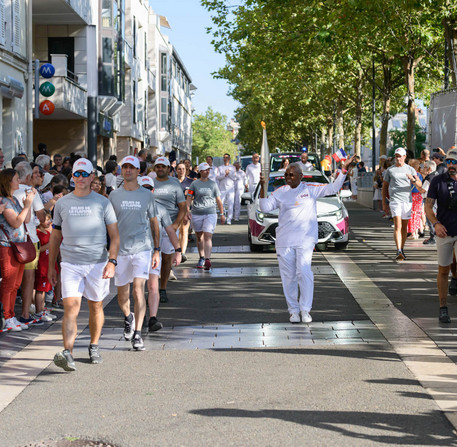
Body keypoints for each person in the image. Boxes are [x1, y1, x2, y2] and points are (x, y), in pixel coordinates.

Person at [258, 156, 355, 323]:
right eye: (286, 175)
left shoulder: (311, 189)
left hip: (305, 239)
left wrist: (343, 170)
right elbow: (265, 207)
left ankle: (305, 310)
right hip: (284, 241)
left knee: (304, 272)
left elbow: (333, 188)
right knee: (289, 277)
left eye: (291, 175)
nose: (288, 178)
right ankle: (293, 311)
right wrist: (262, 186)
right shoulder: (280, 192)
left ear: (300, 176)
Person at [48, 158, 120, 371]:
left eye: (84, 174)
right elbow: (54, 237)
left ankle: (94, 345)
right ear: (72, 177)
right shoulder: (62, 203)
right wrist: (52, 265)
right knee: (71, 307)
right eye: (76, 174)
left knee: (95, 305)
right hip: (70, 263)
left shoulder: (103, 202)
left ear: (91, 177)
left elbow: (114, 236)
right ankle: (68, 353)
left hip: (97, 263)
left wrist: (112, 261)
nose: (80, 178)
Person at [109, 156, 161, 351]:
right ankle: (128, 317)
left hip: (142, 248)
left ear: (139, 172)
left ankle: (138, 333)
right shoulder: (114, 196)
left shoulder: (147, 195)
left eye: (132, 167)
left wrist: (156, 250)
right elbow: (109, 224)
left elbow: (154, 223)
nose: (128, 170)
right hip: (121, 250)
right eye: (125, 167)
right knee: (122, 296)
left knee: (138, 290)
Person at [138, 176, 181, 332]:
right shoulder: (133, 207)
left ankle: (152, 318)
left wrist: (178, 250)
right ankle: (139, 315)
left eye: (149, 189)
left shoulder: (161, 209)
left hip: (153, 252)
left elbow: (170, 231)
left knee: (153, 285)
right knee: (139, 286)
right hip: (136, 252)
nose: (146, 192)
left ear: (153, 191)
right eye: (143, 188)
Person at [0, 169, 36, 331]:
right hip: (8, 246)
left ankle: (11, 315)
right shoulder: (3, 201)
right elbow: (15, 222)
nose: (19, 182)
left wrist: (28, 203)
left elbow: (26, 219)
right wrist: (27, 205)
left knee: (16, 283)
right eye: (16, 179)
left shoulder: (13, 199)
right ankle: (6, 316)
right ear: (8, 182)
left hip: (19, 246)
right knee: (9, 282)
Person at [425, 148, 457, 324]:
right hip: (444, 231)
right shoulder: (438, 181)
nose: (451, 165)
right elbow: (428, 207)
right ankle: (443, 308)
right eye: (449, 162)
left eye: (454, 162)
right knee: (443, 269)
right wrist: (436, 224)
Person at [14, 162, 46, 325]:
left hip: (10, 239)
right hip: (28, 241)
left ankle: (8, 315)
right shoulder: (31, 192)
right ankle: (25, 314)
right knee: (28, 280)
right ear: (27, 176)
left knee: (10, 281)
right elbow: (41, 217)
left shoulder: (7, 190)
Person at [152, 156, 186, 303]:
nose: (160, 169)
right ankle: (152, 289)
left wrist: (176, 225)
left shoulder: (174, 184)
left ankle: (163, 288)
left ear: (168, 168)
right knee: (152, 260)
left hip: (169, 226)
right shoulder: (149, 183)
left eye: (163, 166)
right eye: (158, 166)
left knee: (166, 260)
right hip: (152, 227)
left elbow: (183, 207)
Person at [382, 147, 422, 261]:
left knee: (404, 227)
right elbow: (384, 187)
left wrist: (412, 179)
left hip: (407, 201)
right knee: (398, 225)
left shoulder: (410, 169)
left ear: (404, 157)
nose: (398, 158)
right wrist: (384, 203)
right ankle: (398, 249)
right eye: (396, 156)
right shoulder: (390, 170)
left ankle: (402, 248)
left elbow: (419, 184)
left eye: (400, 156)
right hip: (395, 201)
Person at [186, 162, 225, 270]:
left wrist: (222, 213)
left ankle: (207, 259)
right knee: (199, 237)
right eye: (205, 170)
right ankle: (201, 257)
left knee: (207, 235)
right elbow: (189, 197)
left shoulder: (213, 184)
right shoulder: (194, 184)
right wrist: (187, 210)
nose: (207, 171)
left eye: (209, 170)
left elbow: (218, 199)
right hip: (197, 213)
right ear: (200, 171)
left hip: (210, 213)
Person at [34, 210, 58, 322]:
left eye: (50, 219)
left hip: (47, 264)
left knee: (44, 289)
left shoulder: (47, 233)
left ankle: (42, 309)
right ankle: (38, 312)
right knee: (40, 289)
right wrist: (49, 245)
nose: (49, 222)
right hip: (41, 265)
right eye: (47, 219)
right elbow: (39, 250)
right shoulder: (37, 233)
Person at [176, 162, 193, 262]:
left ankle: (182, 253)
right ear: (176, 170)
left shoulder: (190, 183)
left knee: (184, 230)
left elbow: (192, 196)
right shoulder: (173, 181)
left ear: (186, 170)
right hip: (175, 210)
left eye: (183, 169)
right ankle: (177, 251)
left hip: (186, 210)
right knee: (177, 231)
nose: (181, 171)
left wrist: (187, 211)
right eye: (179, 169)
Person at [216, 153, 236, 225]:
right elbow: (217, 177)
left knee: (231, 204)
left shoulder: (233, 167)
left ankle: (229, 219)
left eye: (227, 157)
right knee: (222, 204)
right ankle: (223, 217)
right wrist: (225, 175)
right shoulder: (220, 167)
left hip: (230, 188)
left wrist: (229, 174)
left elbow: (234, 178)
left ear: (229, 159)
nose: (226, 159)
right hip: (222, 188)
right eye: (224, 157)